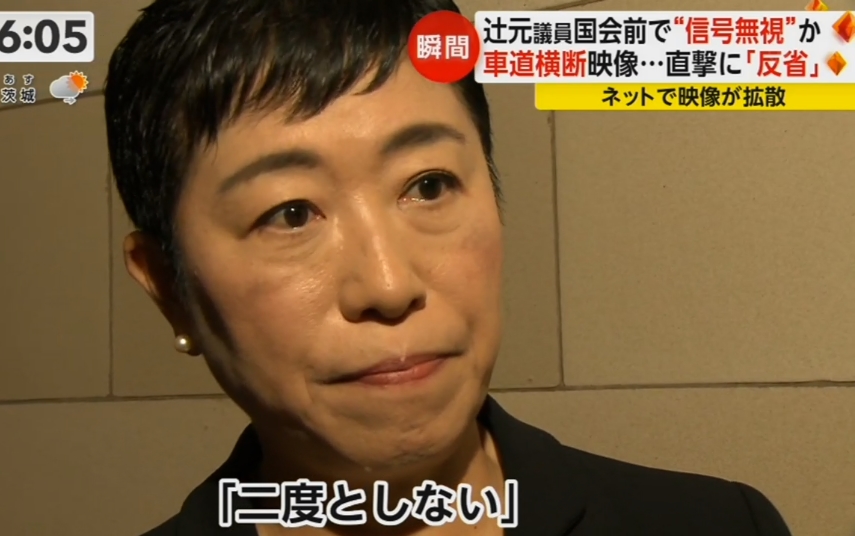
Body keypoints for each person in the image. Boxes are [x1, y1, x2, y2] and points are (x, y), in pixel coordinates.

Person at [104, 0, 793, 534]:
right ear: (169, 288)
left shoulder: (717, 525)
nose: (388, 284)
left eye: (428, 185)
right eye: (290, 214)